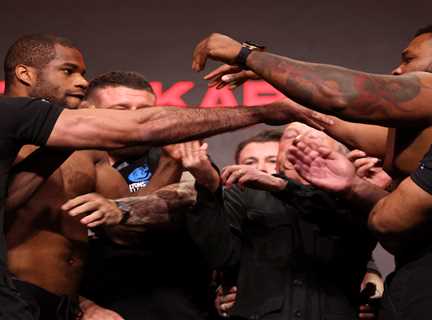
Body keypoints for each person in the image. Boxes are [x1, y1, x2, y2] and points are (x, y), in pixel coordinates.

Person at [0, 33, 329, 320]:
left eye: (83, 73)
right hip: (14, 295)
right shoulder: (9, 119)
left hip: (61, 303)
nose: (82, 81)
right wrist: (265, 111)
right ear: (25, 73)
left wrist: (172, 166)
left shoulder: (80, 151)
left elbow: (125, 214)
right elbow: (143, 127)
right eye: (68, 71)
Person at [191, 22, 432, 320]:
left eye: (408, 59)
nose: (397, 70)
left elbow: (339, 95)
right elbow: (339, 125)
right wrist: (277, 76)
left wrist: (245, 54)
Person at [184, 122, 384, 320]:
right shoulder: (244, 193)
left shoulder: (352, 203)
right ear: (279, 153)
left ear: (340, 154)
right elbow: (221, 256)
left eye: (315, 136)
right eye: (291, 135)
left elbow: (357, 237)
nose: (301, 140)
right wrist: (209, 187)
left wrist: (282, 187)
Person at [69, 71, 212, 320]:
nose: (136, 118)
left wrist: (170, 163)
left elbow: (184, 200)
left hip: (177, 307)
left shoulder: (178, 152)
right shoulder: (65, 162)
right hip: (97, 307)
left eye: (145, 110)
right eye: (122, 109)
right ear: (87, 110)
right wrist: (83, 306)